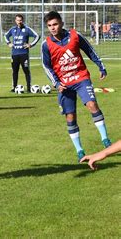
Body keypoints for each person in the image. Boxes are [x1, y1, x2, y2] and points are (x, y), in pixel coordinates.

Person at [41, 11, 111, 162]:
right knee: (70, 117)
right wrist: (56, 83)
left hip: (81, 78)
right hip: (64, 85)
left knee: (92, 105)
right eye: (49, 26)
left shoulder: (75, 35)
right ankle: (79, 150)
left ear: (61, 23)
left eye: (55, 24)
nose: (53, 28)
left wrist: (101, 66)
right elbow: (46, 66)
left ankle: (105, 139)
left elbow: (90, 51)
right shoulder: (46, 44)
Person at [4, 14, 40, 93]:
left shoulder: (27, 29)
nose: (19, 22)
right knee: (15, 71)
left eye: (20, 20)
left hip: (24, 54)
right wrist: (8, 43)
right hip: (14, 54)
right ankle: (14, 87)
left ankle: (29, 88)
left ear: (22, 21)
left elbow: (37, 36)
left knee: (26, 71)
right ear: (15, 21)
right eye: (17, 20)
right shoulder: (13, 29)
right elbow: (5, 35)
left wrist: (31, 44)